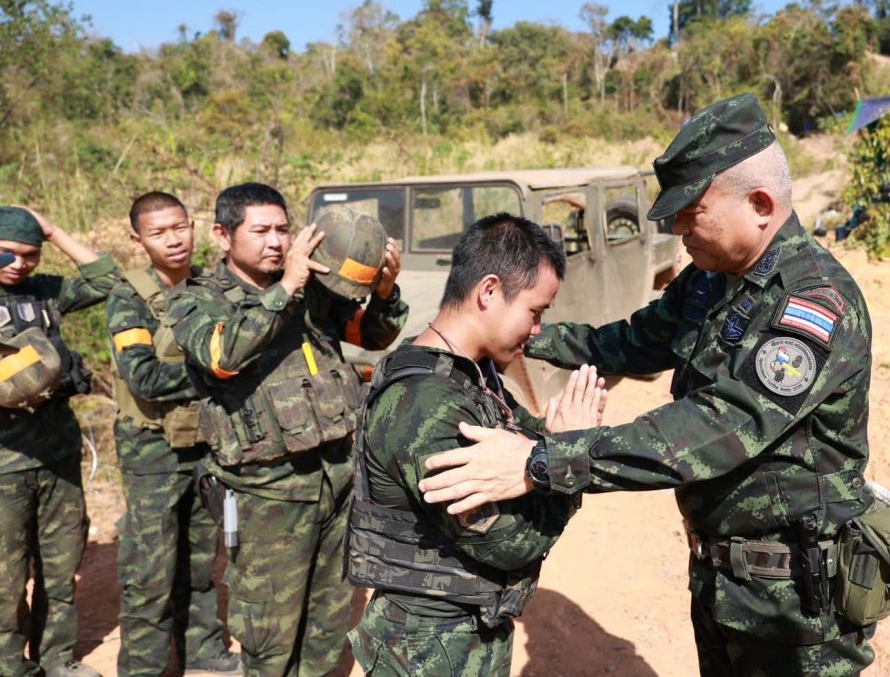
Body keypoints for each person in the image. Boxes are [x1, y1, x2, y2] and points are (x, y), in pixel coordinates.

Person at [418, 94, 878, 676]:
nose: (676, 228)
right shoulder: (710, 281)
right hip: (723, 582)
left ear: (760, 204)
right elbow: (631, 343)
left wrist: (542, 461)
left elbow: (715, 427)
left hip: (796, 607)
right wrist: (519, 331)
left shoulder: (812, 304)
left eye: (691, 211)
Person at [345, 214, 606, 677]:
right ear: (488, 291)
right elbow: (510, 542)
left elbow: (520, 431)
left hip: (462, 630)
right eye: (535, 312)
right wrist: (566, 458)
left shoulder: (466, 372)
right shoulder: (425, 404)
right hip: (429, 646)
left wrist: (554, 439)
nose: (537, 330)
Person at [166, 183, 407, 675]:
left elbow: (371, 335)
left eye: (282, 229)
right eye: (261, 231)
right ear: (222, 235)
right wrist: (285, 290)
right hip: (265, 496)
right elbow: (221, 356)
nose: (276, 242)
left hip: (336, 481)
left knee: (328, 624)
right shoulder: (197, 299)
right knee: (270, 635)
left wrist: (384, 293)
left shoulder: (313, 291)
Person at [107, 192, 238, 676]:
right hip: (152, 452)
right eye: (159, 232)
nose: (174, 240)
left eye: (180, 227)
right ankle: (144, 666)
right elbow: (143, 377)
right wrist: (218, 367)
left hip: (207, 442)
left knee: (202, 559)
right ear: (137, 239)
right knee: (150, 570)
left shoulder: (212, 285)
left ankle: (202, 650)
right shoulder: (129, 297)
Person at [0, 206, 120, 677]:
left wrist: (52, 231)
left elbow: (106, 280)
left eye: (30, 255)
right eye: (7, 252)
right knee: (6, 578)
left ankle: (56, 659)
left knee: (60, 565)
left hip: (58, 454)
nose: (19, 264)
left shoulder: (44, 291)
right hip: (4, 464)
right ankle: (10, 666)